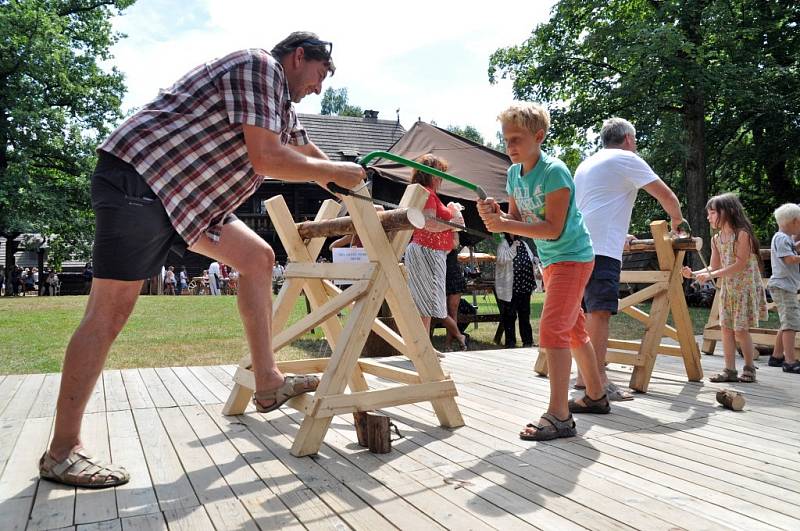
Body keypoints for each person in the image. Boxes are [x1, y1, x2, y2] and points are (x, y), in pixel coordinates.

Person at [40, 32, 364, 488]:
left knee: (257, 257)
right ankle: (62, 451)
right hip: (143, 179)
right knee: (109, 312)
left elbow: (309, 155)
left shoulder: (282, 108)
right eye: (320, 75)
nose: (319, 87)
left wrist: (355, 183)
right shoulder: (260, 67)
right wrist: (334, 173)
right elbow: (268, 158)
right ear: (297, 57)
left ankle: (268, 383)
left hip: (186, 203)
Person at [477, 102, 608, 441]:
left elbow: (552, 229)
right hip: (551, 260)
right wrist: (495, 216)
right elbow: (516, 224)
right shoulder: (512, 174)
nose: (510, 147)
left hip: (573, 257)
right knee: (574, 330)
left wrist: (506, 222)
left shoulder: (555, 172)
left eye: (517, 139)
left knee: (552, 330)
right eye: (506, 140)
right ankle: (595, 396)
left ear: (539, 136)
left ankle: (560, 416)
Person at [573, 117, 686, 401]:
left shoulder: (587, 164)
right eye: (634, 141)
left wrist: (620, 234)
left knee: (584, 312)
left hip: (578, 246)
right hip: (601, 250)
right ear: (628, 140)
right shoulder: (626, 158)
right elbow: (667, 196)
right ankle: (597, 380)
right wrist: (677, 224)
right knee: (599, 313)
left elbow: (591, 207)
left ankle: (582, 375)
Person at [681, 193, 767, 383]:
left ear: (727, 212)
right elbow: (713, 266)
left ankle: (749, 367)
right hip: (729, 290)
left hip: (744, 289)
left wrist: (711, 275)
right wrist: (694, 274)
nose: (708, 217)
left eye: (712, 213)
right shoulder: (716, 239)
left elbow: (740, 264)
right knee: (726, 329)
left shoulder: (742, 234)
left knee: (741, 330)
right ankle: (729, 370)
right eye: (708, 213)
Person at [404, 154, 469, 352]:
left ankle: (424, 347)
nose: (441, 178)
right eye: (439, 173)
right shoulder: (426, 193)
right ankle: (422, 349)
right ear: (431, 174)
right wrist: (453, 222)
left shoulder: (425, 192)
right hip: (427, 251)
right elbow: (429, 223)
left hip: (430, 252)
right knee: (426, 302)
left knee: (426, 303)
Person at [765, 204, 800, 373]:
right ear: (794, 222)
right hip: (784, 286)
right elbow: (789, 259)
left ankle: (777, 356)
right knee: (791, 325)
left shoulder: (783, 238)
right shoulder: (782, 238)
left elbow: (791, 251)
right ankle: (790, 361)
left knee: (786, 322)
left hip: (785, 286)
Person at [495, 233, 535, 348]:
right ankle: (510, 342)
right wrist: (513, 248)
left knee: (525, 315)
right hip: (510, 287)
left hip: (525, 286)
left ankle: (527, 341)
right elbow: (502, 259)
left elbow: (530, 258)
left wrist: (534, 260)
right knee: (510, 316)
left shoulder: (524, 244)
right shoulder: (503, 244)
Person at [443, 208, 468, 351]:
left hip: (453, 274)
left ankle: (449, 344)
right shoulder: (436, 230)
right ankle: (459, 337)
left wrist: (446, 229)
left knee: (452, 311)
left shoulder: (453, 231)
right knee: (440, 311)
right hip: (441, 273)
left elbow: (454, 245)